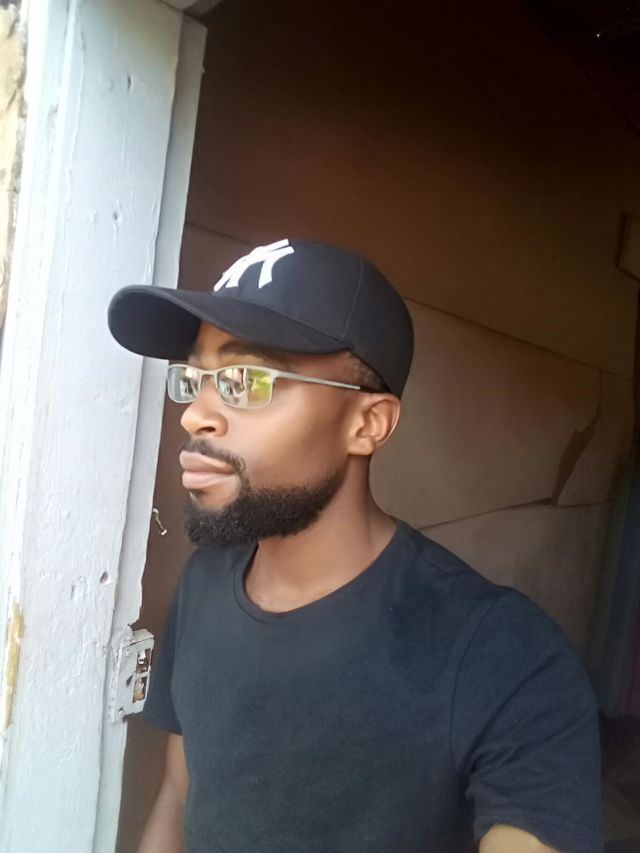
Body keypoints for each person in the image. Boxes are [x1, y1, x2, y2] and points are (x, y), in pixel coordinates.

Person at [108, 239, 602, 853]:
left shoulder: (502, 656)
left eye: (244, 380)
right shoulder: (204, 583)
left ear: (368, 424)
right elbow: (178, 799)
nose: (194, 416)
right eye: (194, 379)